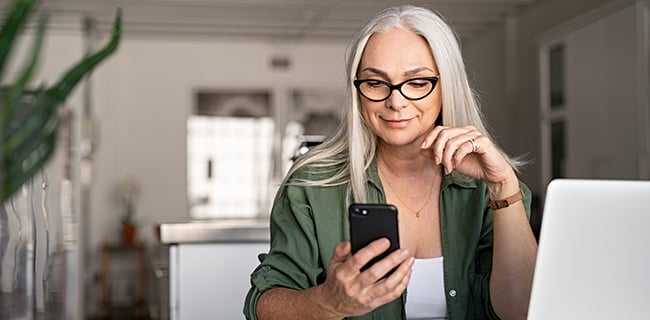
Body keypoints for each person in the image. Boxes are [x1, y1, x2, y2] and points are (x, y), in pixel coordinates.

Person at [244, 5, 537, 320]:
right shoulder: (311, 186)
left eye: (417, 82)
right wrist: (327, 303)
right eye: (375, 83)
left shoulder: (493, 189)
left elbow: (522, 310)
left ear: (446, 86)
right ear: (357, 90)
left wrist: (502, 186)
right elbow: (262, 306)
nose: (395, 102)